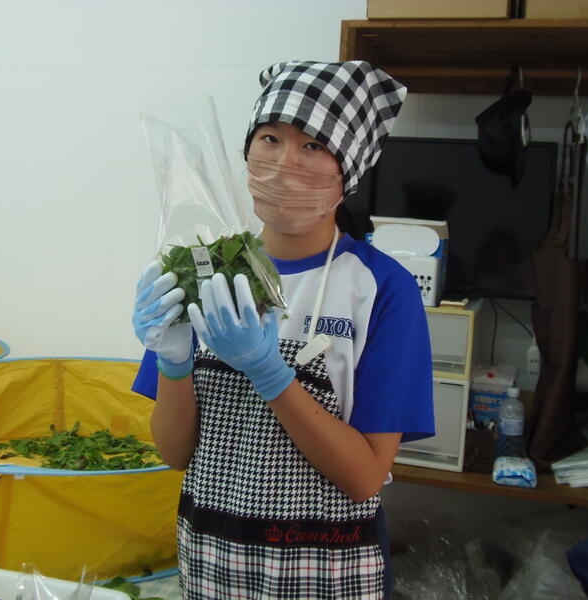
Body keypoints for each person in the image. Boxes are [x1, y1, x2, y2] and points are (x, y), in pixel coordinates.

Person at [131, 60, 434, 600]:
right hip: (211, 563)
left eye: (313, 145)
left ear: (347, 172)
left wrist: (270, 373)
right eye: (270, 138)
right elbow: (175, 454)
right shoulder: (207, 272)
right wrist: (174, 362)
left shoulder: (381, 289)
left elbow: (364, 477)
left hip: (329, 571)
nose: (284, 162)